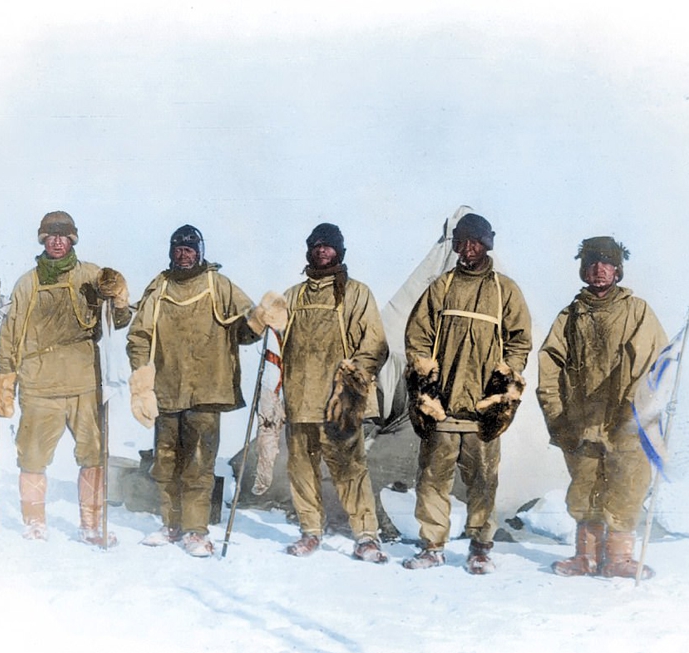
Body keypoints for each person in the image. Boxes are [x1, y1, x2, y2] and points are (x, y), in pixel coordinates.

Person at [127, 225, 287, 557]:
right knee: (166, 462)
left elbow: (243, 331)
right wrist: (142, 380)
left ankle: (195, 531)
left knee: (198, 463)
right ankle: (171, 525)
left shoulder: (219, 285)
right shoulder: (159, 288)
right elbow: (139, 336)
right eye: (178, 248)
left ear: (200, 251)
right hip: (167, 390)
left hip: (207, 389)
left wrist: (259, 320)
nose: (183, 254)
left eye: (189, 248)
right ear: (171, 252)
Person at [403, 212, 532, 573]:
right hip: (442, 405)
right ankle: (432, 545)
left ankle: (480, 547)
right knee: (432, 477)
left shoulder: (504, 290)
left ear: (487, 244)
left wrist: (506, 377)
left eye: (476, 241)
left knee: (484, 479)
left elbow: (521, 340)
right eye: (463, 241)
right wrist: (425, 378)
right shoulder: (441, 287)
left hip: (483, 407)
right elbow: (417, 336)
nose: (469, 248)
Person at [0, 210, 132, 545]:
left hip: (84, 383)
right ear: (43, 239)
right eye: (51, 236)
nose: (58, 242)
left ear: (72, 239)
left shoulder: (91, 275)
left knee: (93, 454)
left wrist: (118, 296)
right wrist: (4, 379)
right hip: (39, 386)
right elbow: (9, 334)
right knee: (31, 456)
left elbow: (120, 319)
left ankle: (91, 524)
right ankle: (35, 523)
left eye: (64, 236)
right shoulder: (27, 283)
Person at [537, 236, 667, 579]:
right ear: (583, 269)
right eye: (592, 262)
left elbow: (655, 363)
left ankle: (619, 558)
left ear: (618, 270)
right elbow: (549, 365)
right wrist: (556, 413)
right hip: (581, 421)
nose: (599, 269)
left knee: (628, 485)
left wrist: (636, 409)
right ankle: (586, 556)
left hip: (625, 420)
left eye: (606, 262)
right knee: (584, 486)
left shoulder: (637, 311)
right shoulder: (569, 316)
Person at [280, 223, 390, 563]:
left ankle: (366, 536)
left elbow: (375, 345)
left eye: (328, 246)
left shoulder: (356, 293)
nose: (321, 251)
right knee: (301, 468)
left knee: (350, 470)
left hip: (339, 401)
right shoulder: (293, 295)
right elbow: (275, 344)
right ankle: (310, 531)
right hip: (299, 398)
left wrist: (352, 383)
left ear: (339, 251)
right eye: (315, 245)